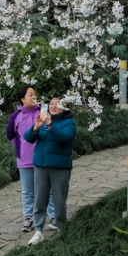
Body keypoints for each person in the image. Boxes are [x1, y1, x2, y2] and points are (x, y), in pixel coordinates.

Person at [24, 96, 76, 245]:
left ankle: (61, 228)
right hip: (41, 165)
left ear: (65, 108)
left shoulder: (69, 123)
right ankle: (38, 230)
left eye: (57, 104)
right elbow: (28, 138)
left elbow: (65, 138)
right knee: (39, 199)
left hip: (59, 167)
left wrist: (50, 124)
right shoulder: (43, 120)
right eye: (51, 104)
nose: (53, 106)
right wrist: (36, 127)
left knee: (59, 200)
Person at [6, 86, 56, 232]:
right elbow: (10, 134)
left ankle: (53, 216)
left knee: (48, 189)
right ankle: (29, 218)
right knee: (28, 191)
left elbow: (51, 128)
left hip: (42, 158)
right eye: (30, 95)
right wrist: (19, 147)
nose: (34, 97)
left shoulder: (43, 112)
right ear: (22, 99)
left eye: (35, 94)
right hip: (25, 160)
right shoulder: (16, 116)